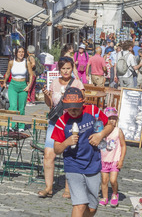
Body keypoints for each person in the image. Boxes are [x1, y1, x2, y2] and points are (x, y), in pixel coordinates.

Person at [52, 87, 114, 217]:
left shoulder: (92, 111)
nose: (73, 111)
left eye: (76, 108)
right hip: (73, 165)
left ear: (83, 102)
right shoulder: (62, 121)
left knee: (92, 208)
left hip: (93, 164)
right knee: (80, 205)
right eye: (69, 108)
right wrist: (66, 142)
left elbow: (110, 125)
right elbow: (56, 149)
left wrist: (100, 135)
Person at [40, 57, 84, 199]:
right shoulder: (54, 83)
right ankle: (49, 187)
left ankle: (68, 187)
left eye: (68, 68)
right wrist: (47, 96)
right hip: (55, 122)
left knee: (70, 155)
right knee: (49, 154)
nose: (65, 71)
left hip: (71, 123)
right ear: (59, 69)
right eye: (63, 68)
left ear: (72, 68)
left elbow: (83, 101)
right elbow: (51, 105)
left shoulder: (77, 83)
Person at [1, 46, 35, 130]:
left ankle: (21, 125)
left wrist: (29, 86)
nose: (21, 54)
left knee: (21, 107)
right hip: (13, 85)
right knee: (12, 106)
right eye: (19, 52)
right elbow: (8, 73)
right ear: (16, 53)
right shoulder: (11, 62)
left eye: (22, 52)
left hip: (23, 86)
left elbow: (31, 75)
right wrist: (4, 82)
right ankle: (11, 125)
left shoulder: (27, 62)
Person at [99, 107, 126, 208]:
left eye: (114, 118)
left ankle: (115, 194)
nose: (112, 121)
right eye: (110, 118)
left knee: (113, 180)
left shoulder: (118, 131)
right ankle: (105, 197)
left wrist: (121, 159)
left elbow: (123, 145)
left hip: (115, 159)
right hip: (104, 160)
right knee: (104, 180)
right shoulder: (101, 131)